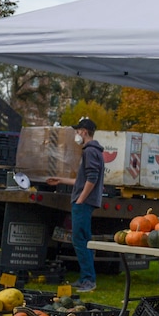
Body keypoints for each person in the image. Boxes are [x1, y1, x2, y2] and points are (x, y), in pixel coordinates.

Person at [46, 118, 104, 293]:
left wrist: (80, 199)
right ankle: (85, 278)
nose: (77, 134)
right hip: (85, 202)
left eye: (78, 131)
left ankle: (88, 280)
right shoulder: (95, 151)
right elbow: (84, 179)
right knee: (83, 240)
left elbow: (92, 179)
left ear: (84, 131)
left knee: (80, 241)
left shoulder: (90, 151)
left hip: (83, 203)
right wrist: (61, 180)